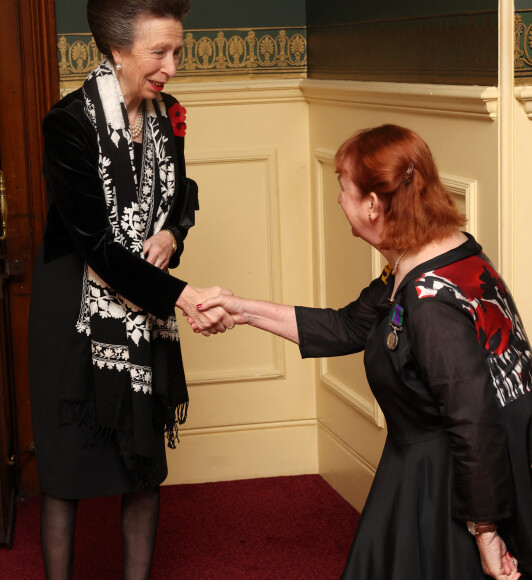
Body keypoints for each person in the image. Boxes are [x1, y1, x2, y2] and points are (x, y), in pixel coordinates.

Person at [195, 124, 532, 580]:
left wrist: (486, 531)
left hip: (450, 482)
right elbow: (346, 326)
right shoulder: (431, 257)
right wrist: (241, 309)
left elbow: (472, 419)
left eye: (343, 188)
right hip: (435, 463)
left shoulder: (430, 303)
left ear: (372, 204)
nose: (338, 200)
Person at [28, 1, 232, 578]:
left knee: (143, 469)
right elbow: (98, 245)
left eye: (177, 52)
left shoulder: (167, 116)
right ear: (116, 50)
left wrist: (171, 233)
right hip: (75, 312)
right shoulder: (67, 123)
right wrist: (184, 296)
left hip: (144, 313)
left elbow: (181, 197)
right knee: (65, 477)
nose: (172, 67)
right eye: (159, 53)